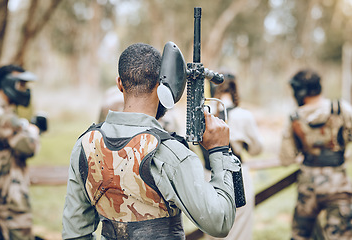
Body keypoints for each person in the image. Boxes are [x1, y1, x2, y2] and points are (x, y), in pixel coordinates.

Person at [62, 43, 240, 239]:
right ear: (162, 84)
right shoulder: (169, 152)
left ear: (119, 84)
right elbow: (220, 222)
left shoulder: (85, 144)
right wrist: (218, 150)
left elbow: (75, 232)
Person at [279, 69, 352, 240]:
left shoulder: (294, 117)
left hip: (308, 191)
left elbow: (286, 158)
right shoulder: (341, 108)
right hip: (338, 186)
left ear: (299, 92)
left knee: (300, 235)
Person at [0, 64, 41, 240]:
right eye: (21, 84)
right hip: (9, 198)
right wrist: (33, 132)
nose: (25, 90)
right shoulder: (0, 115)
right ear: (8, 83)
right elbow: (28, 147)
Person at [204, 73, 263, 240]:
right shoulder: (242, 115)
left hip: (207, 177)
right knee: (239, 231)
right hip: (237, 178)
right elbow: (256, 149)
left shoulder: (203, 115)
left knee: (212, 230)